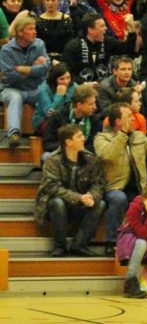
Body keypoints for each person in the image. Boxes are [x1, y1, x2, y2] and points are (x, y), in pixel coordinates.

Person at [94, 103, 147, 255]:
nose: (133, 119)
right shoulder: (102, 138)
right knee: (119, 198)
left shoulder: (138, 136)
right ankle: (111, 241)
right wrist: (123, 134)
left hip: (138, 187)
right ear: (118, 121)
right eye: (129, 117)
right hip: (113, 187)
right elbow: (107, 155)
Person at [36, 124, 106, 257]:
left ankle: (80, 245)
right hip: (57, 206)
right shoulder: (52, 160)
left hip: (80, 204)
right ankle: (59, 246)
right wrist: (78, 197)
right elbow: (51, 187)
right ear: (68, 141)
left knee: (100, 204)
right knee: (57, 202)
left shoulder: (90, 159)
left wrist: (92, 196)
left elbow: (98, 183)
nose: (83, 139)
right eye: (79, 136)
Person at [0, 15, 51, 147]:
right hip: (12, 89)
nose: (35, 32)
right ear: (20, 32)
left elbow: (45, 68)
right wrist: (33, 68)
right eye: (30, 29)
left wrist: (25, 69)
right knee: (15, 98)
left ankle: (49, 131)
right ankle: (14, 133)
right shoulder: (7, 50)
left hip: (35, 89)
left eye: (34, 28)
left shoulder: (39, 44)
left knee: (46, 94)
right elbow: (9, 77)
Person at [42, 84, 99, 156]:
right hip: (61, 153)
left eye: (94, 103)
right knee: (46, 156)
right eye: (91, 104)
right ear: (79, 105)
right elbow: (47, 144)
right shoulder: (57, 116)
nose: (95, 107)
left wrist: (78, 149)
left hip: (83, 153)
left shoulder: (94, 120)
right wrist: (70, 146)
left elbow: (93, 145)